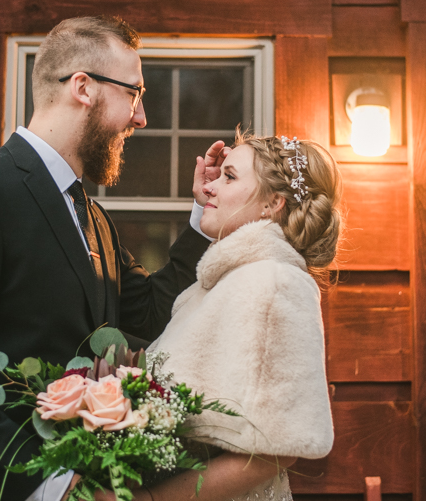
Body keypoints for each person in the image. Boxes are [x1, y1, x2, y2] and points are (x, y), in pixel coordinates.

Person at [0, 16, 226, 501]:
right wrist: (47, 482)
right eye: (134, 93)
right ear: (83, 87)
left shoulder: (93, 217)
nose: (141, 117)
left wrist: (204, 215)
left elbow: (154, 314)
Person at [118, 132, 342, 501]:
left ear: (272, 204)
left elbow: (276, 451)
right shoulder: (218, 285)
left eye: (230, 177)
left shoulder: (277, 283)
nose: (209, 188)